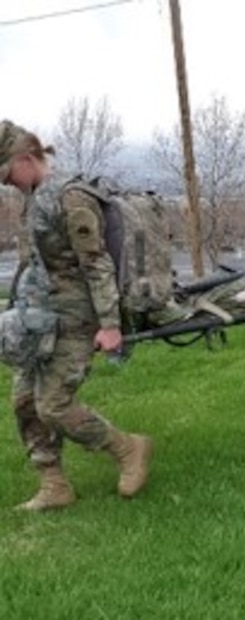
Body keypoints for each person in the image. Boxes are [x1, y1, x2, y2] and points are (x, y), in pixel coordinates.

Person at [0, 120, 152, 511]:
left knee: (52, 403)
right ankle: (54, 485)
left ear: (26, 158)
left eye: (6, 173)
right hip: (41, 317)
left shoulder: (70, 198)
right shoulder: (35, 197)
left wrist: (110, 325)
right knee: (24, 401)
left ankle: (128, 448)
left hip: (77, 317)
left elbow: (97, 263)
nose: (6, 183)